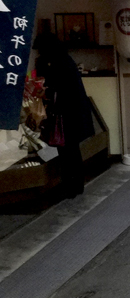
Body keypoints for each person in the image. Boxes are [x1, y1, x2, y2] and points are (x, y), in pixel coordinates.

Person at [33, 32, 94, 198]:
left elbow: (56, 87)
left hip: (65, 113)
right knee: (71, 150)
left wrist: (44, 89)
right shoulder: (65, 59)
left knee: (67, 151)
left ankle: (70, 187)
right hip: (74, 112)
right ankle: (75, 186)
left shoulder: (56, 62)